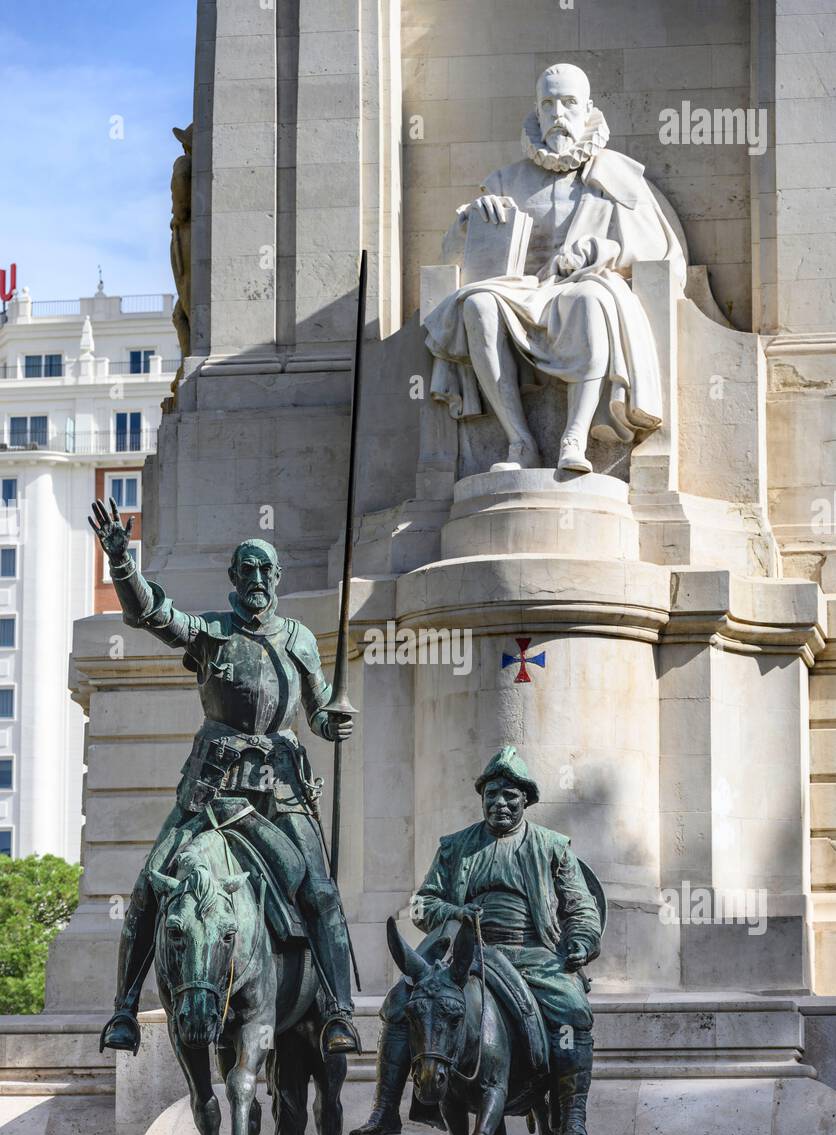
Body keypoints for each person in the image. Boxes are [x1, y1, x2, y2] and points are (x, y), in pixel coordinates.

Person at [89, 498, 359, 1057]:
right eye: (247, 569)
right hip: (212, 790)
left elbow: (316, 712)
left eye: (266, 569)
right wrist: (123, 563)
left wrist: (332, 721)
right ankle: (123, 1010)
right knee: (148, 885)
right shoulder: (211, 632)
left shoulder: (301, 639)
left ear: (277, 578)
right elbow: (153, 616)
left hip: (280, 792)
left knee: (323, 894)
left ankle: (338, 1011)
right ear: (234, 578)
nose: (257, 578)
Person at [424, 62, 686, 473]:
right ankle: (519, 442)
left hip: (583, 284)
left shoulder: (615, 174)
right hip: (523, 290)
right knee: (477, 305)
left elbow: (657, 251)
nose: (559, 114)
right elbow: (450, 256)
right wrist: (470, 219)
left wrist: (603, 250)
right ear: (537, 111)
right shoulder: (506, 180)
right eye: (549, 104)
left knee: (592, 298)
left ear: (588, 108)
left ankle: (574, 438)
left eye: (568, 103)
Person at [351, 746, 602, 1135]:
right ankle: (385, 1108)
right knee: (400, 1003)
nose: (500, 804)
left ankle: (571, 1112)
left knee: (573, 1012)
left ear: (525, 801)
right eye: (492, 795)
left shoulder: (553, 846)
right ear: (482, 799)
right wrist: (456, 911)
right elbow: (421, 904)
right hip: (465, 954)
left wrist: (581, 941)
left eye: (510, 796)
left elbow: (581, 906)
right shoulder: (455, 847)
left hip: (531, 953)